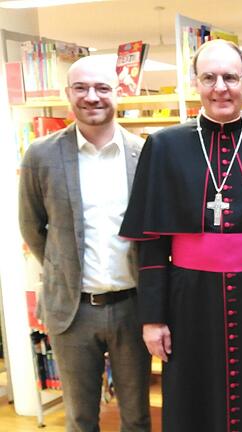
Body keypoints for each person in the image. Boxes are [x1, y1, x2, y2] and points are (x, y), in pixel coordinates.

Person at [119, 39, 242, 432]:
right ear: (196, 83)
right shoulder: (164, 146)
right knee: (193, 397)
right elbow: (151, 244)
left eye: (230, 77)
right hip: (189, 300)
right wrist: (153, 319)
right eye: (209, 78)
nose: (221, 87)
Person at [18, 55, 150, 431]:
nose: (92, 96)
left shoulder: (144, 153)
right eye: (81, 87)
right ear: (67, 94)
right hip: (72, 311)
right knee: (79, 417)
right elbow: (31, 227)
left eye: (102, 88)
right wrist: (65, 268)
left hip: (133, 307)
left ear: (118, 93)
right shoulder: (40, 155)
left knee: (137, 417)